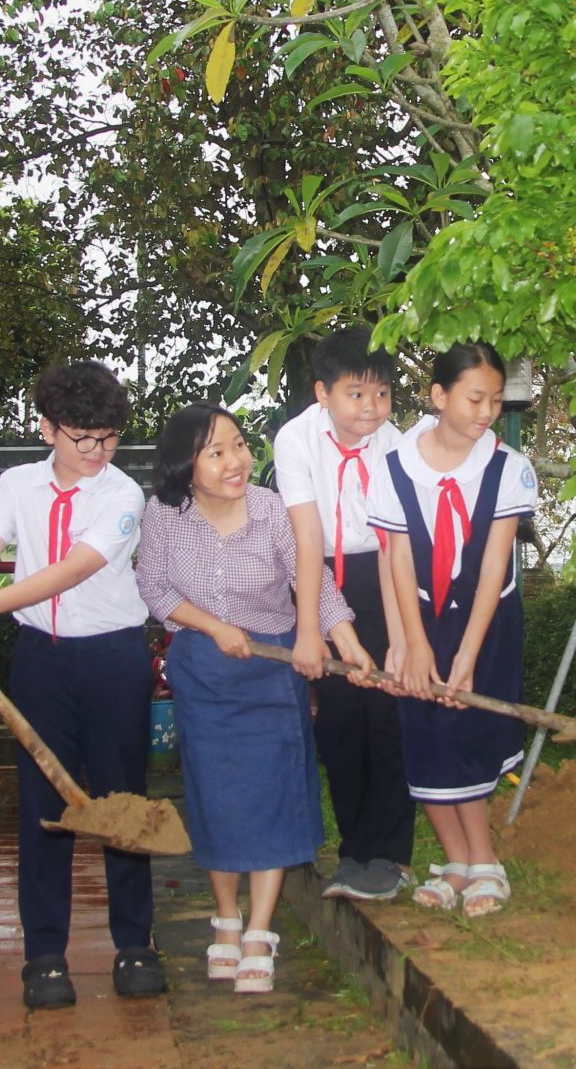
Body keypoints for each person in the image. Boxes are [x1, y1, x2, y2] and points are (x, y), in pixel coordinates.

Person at [0, 362, 158, 1011]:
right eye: (81, 437)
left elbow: (71, 569)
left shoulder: (122, 494)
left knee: (122, 797)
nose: (95, 452)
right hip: (42, 660)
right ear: (46, 428)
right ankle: (44, 953)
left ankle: (134, 942)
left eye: (108, 438)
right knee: (43, 802)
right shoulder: (15, 484)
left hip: (113, 656)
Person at [134, 404, 374, 993]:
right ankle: (226, 919)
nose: (235, 461)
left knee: (270, 794)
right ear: (187, 465)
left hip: (272, 669)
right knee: (217, 797)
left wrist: (350, 644)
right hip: (204, 672)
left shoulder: (271, 511)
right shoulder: (165, 514)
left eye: (239, 445)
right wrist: (213, 626)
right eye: (216, 452)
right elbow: (154, 586)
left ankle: (260, 928)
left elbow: (311, 580)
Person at [369, 342, 535, 919]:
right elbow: (395, 559)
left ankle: (485, 859)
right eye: (474, 398)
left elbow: (495, 564)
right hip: (419, 615)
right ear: (438, 396)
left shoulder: (510, 468)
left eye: (495, 399)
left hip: (488, 620)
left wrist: (468, 651)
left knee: (471, 732)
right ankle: (457, 859)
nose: (486, 411)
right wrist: (406, 643)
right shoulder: (392, 466)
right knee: (425, 731)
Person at [272, 327, 413, 903]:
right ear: (322, 392)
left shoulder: (398, 445)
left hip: (385, 573)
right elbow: (306, 538)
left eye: (381, 395)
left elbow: (396, 544)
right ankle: (356, 850)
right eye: (356, 394)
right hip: (319, 572)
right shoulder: (295, 439)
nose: (371, 409)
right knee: (340, 718)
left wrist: (403, 635)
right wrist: (311, 629)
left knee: (390, 713)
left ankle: (391, 855)